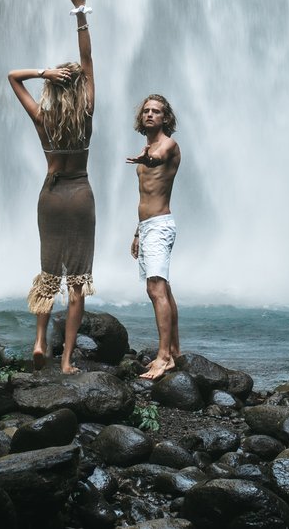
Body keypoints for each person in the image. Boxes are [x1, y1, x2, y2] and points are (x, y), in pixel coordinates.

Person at [8, 0, 94, 374]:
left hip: (50, 195)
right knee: (77, 280)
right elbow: (89, 63)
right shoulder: (87, 116)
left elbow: (12, 77)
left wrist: (44, 73)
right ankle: (65, 360)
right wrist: (80, 11)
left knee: (48, 271)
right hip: (79, 195)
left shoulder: (43, 119)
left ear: (57, 88)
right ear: (79, 89)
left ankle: (40, 339)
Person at [127, 93, 182, 381]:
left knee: (156, 289)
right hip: (148, 226)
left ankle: (164, 358)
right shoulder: (147, 146)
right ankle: (174, 349)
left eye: (156, 111)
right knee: (163, 288)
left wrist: (147, 157)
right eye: (146, 110)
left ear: (165, 118)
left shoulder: (167, 145)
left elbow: (158, 158)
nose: (150, 114)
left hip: (160, 225)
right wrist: (138, 231)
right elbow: (144, 195)